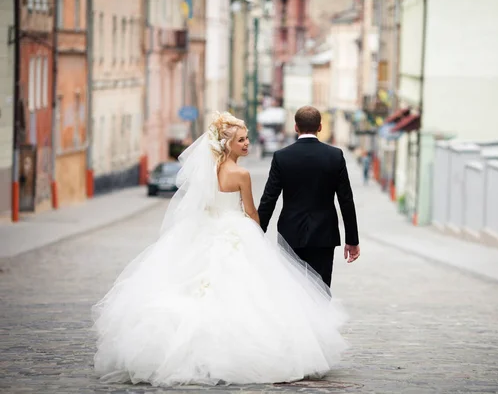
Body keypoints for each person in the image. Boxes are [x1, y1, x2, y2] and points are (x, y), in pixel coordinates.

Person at [92, 112, 348, 387]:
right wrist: (255, 232)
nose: (247, 143)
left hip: (205, 233)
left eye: (247, 138)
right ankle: (237, 354)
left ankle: (190, 355)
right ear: (228, 144)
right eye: (242, 139)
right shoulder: (240, 174)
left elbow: (200, 208)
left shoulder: (205, 174)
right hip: (236, 233)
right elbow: (251, 212)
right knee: (252, 297)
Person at [258, 106, 360, 289]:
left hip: (290, 232)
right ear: (320, 127)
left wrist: (258, 232)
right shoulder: (335, 156)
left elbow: (269, 198)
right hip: (323, 234)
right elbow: (346, 199)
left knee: (291, 290)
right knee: (320, 290)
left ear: (296, 127)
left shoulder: (282, 157)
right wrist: (352, 240)